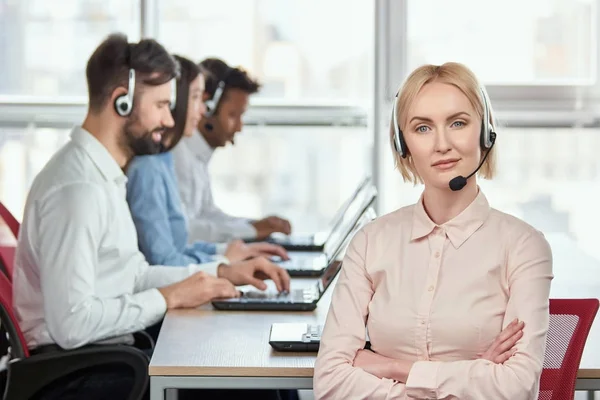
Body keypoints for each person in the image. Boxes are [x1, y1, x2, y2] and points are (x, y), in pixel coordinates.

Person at [13, 34, 289, 400]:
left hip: (108, 355)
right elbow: (72, 325)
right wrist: (168, 297)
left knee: (258, 376)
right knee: (250, 387)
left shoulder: (104, 177)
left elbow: (135, 275)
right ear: (121, 102)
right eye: (161, 104)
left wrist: (219, 271)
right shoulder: (78, 190)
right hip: (78, 373)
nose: (167, 118)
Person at [313, 62, 554, 399]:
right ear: (403, 145)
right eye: (422, 128)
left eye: (458, 123)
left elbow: (516, 388)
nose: (442, 144)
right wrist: (471, 375)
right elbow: (330, 382)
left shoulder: (524, 246)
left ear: (485, 133)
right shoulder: (371, 242)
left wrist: (395, 368)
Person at [126, 55, 291, 271]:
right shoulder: (162, 162)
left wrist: (233, 247)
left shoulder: (167, 160)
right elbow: (174, 249)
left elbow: (198, 222)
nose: (239, 127)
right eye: (233, 115)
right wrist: (225, 263)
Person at [171, 58, 292, 242]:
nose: (239, 127)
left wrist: (254, 225)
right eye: (233, 115)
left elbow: (207, 214)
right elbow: (186, 230)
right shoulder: (177, 156)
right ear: (208, 109)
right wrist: (251, 231)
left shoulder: (197, 156)